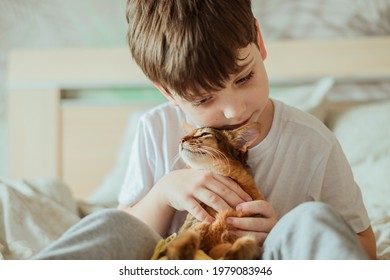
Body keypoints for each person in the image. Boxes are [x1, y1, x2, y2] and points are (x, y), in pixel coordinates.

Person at [34, 0, 376, 260]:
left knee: (310, 219)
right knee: (110, 224)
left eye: (244, 78)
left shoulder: (312, 142)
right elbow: (131, 230)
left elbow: (365, 247)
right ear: (167, 93)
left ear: (259, 41)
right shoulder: (156, 128)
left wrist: (279, 231)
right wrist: (164, 192)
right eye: (202, 99)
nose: (235, 109)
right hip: (174, 262)